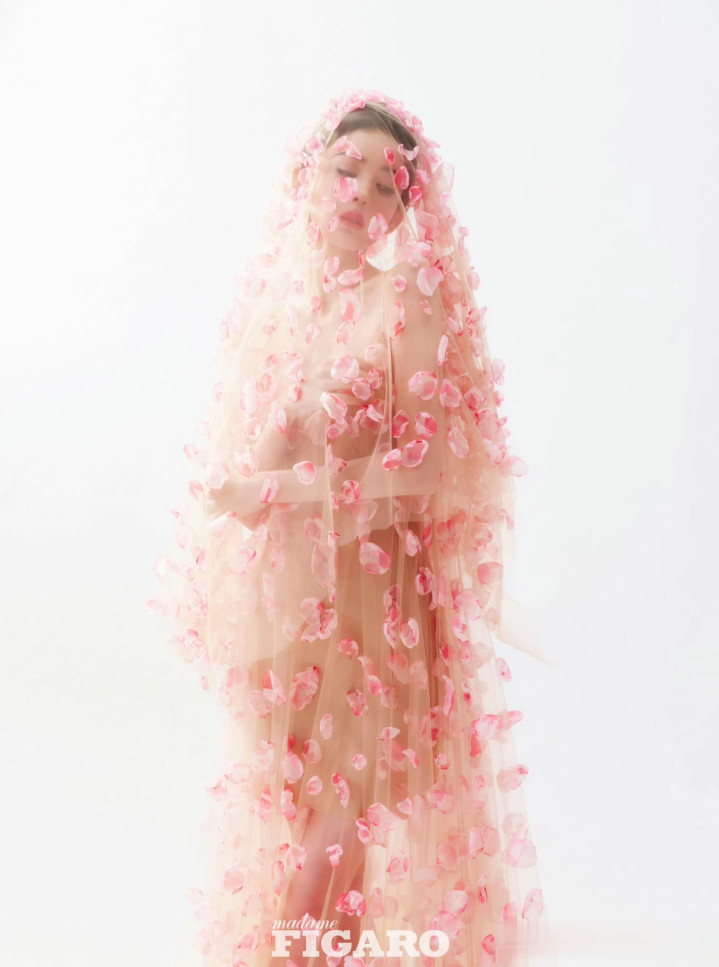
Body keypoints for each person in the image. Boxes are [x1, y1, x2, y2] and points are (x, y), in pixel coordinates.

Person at [149, 88, 557, 967]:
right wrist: (251, 480)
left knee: (339, 820)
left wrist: (274, 489)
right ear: (310, 175)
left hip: (375, 599)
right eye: (347, 170)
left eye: (386, 186)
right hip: (291, 593)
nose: (362, 196)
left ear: (405, 213)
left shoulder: (406, 296)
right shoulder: (284, 309)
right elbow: (265, 452)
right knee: (302, 815)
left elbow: (426, 469)